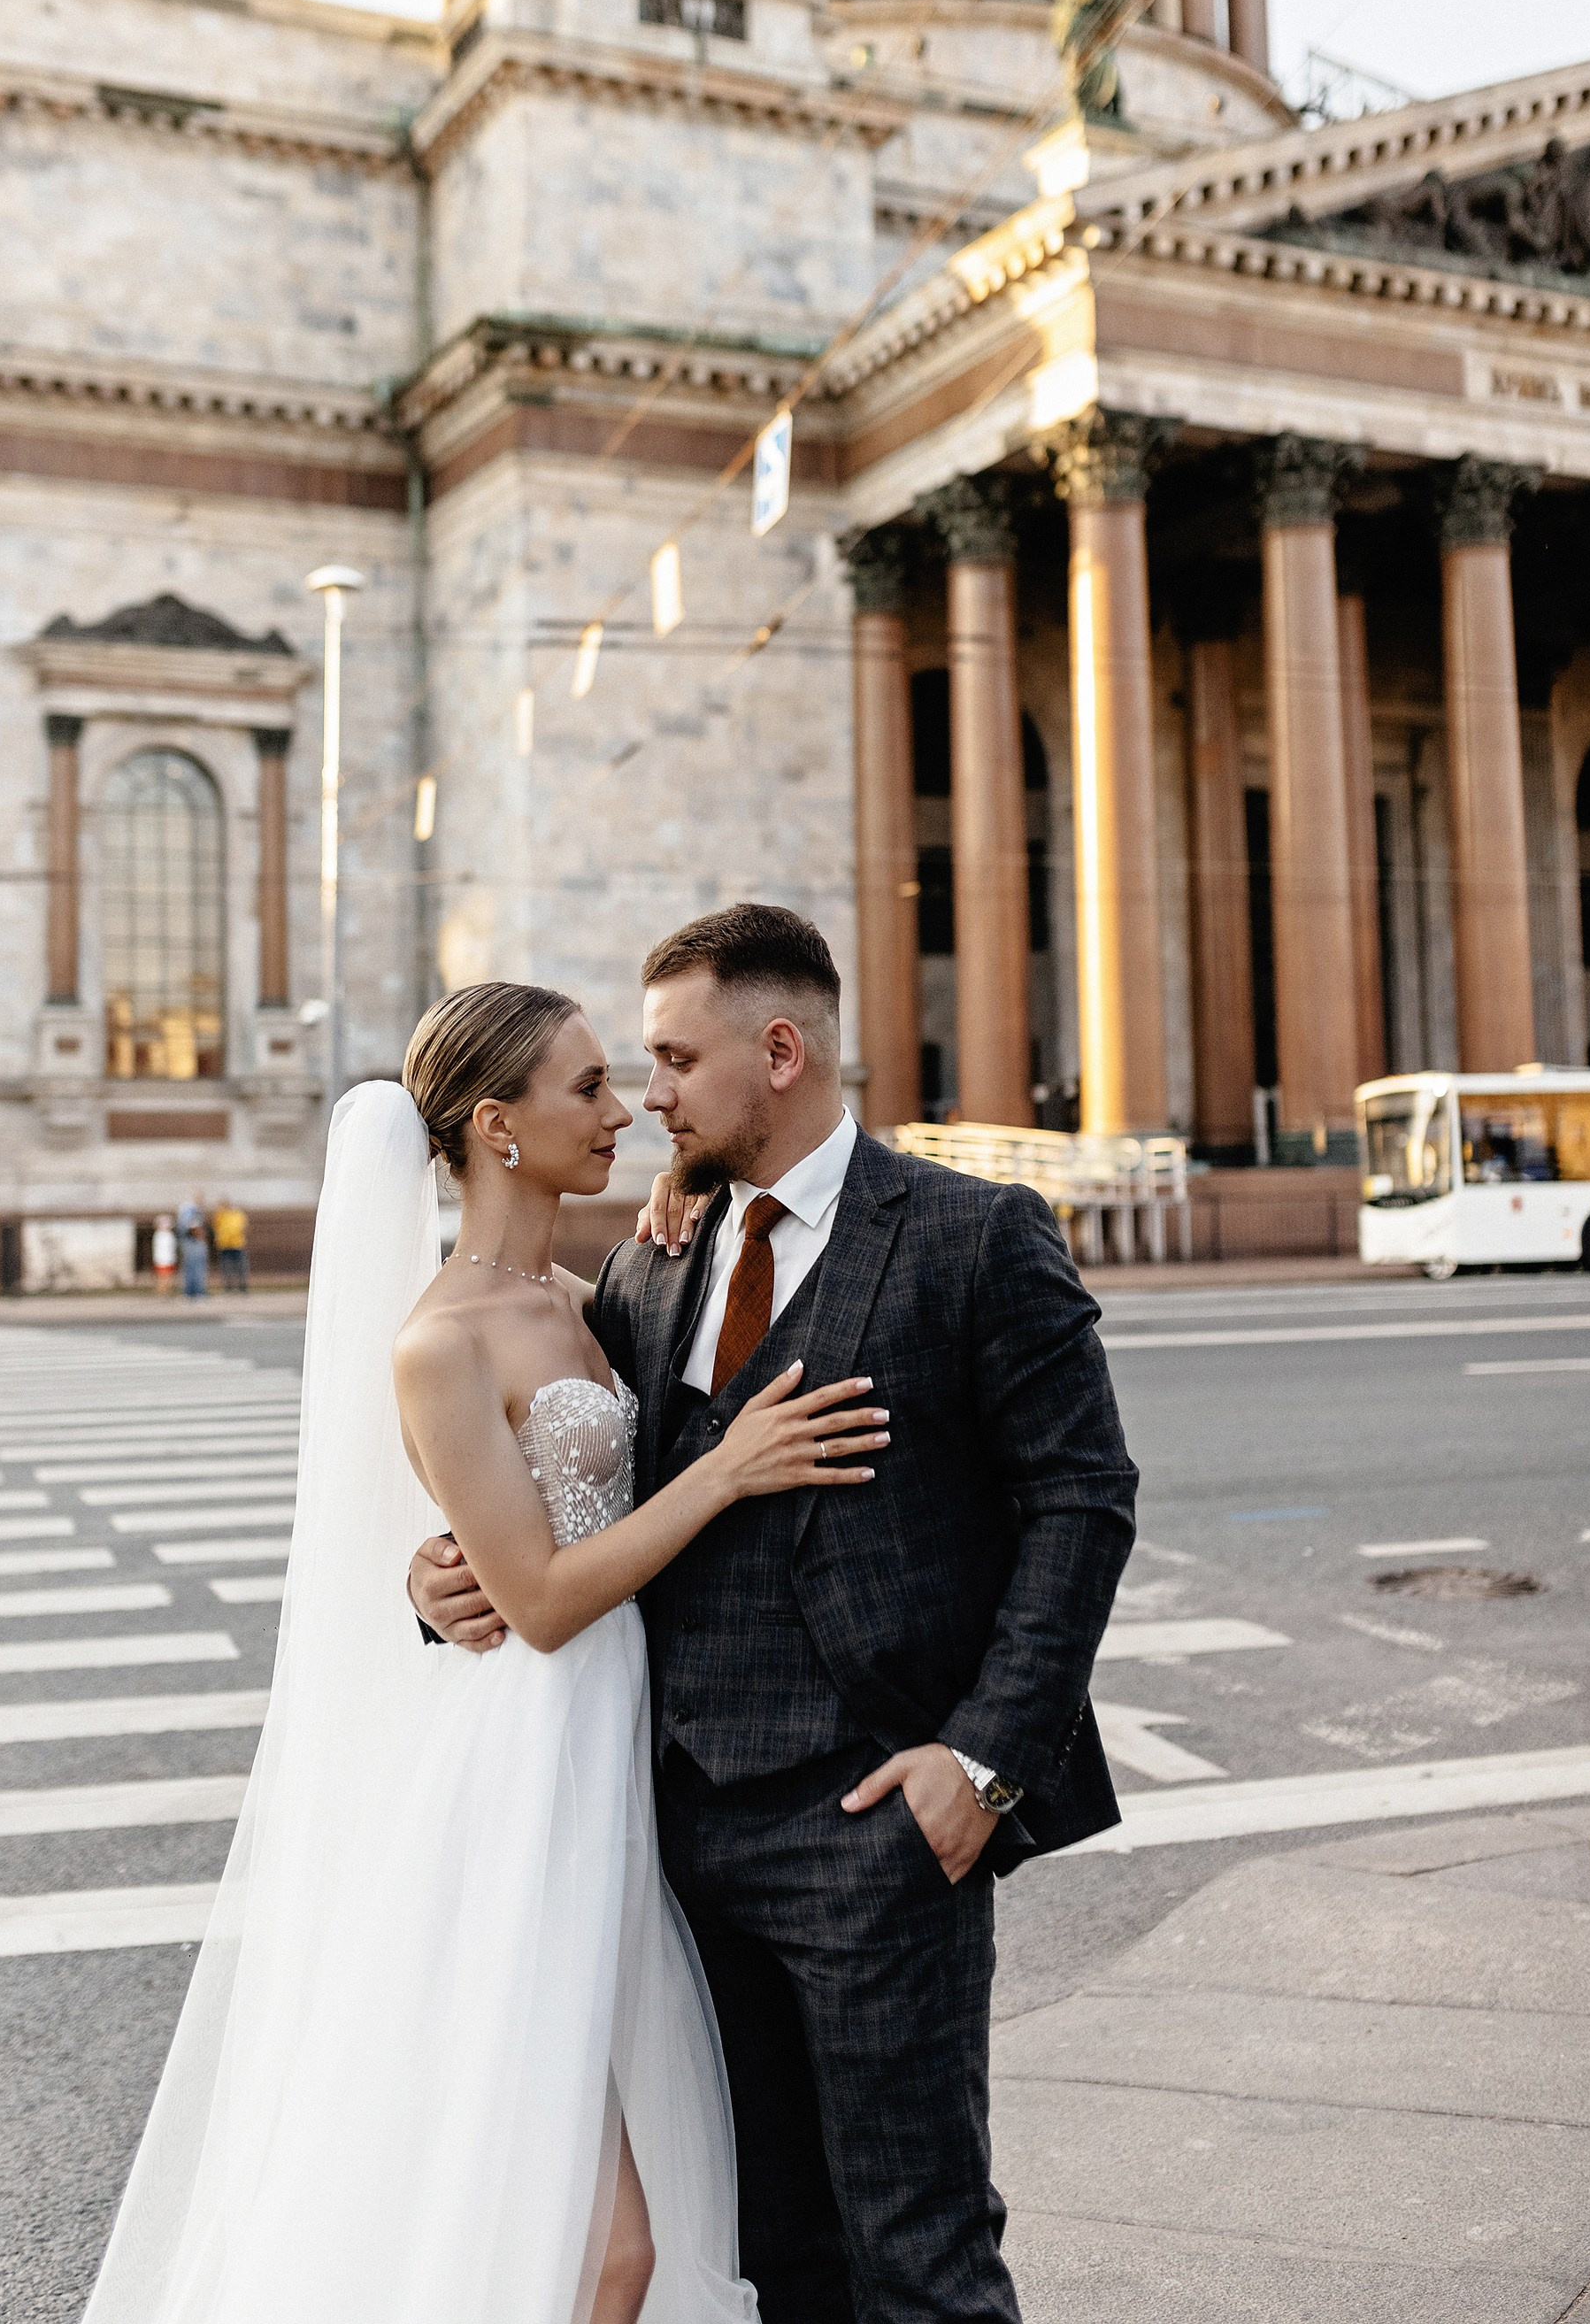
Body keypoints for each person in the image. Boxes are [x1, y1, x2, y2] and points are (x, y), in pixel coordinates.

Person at [83, 985, 885, 2324]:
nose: (623, 1111)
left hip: (624, 1753)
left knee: (630, 2192)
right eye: (588, 1087)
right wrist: (728, 1473)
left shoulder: (587, 1295)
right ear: (499, 1127)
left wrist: (677, 1205)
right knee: (608, 2247)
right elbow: (543, 1600)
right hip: (525, 1773)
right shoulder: (438, 1340)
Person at [413, 904, 1138, 2324]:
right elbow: (572, 1496)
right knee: (773, 2261)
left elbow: (1083, 1501)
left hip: (878, 1827)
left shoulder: (972, 1235)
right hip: (672, 1842)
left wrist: (983, 1762)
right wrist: (438, 1585)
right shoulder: (648, 1261)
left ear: (784, 1051)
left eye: (677, 1061)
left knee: (922, 2257)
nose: (651, 1097)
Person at [211, 1197, 249, 1292]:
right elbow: (216, 1227)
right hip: (224, 1245)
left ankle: (242, 1285)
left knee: (240, 1266)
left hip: (237, 1244)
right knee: (226, 1267)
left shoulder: (237, 1214)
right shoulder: (219, 1215)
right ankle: (228, 1286)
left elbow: (243, 1227)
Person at [175, 1192, 209, 1299]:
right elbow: (191, 1226)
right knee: (196, 1267)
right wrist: (199, 1235)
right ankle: (196, 1291)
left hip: (189, 1242)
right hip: (193, 1242)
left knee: (190, 1267)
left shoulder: (186, 1209)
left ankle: (190, 1291)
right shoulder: (191, 1209)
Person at [149, 1213, 177, 1297]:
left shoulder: (170, 1235)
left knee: (168, 1277)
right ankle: (161, 1293)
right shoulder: (159, 1235)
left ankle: (166, 1292)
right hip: (161, 1259)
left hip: (169, 1259)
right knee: (162, 1277)